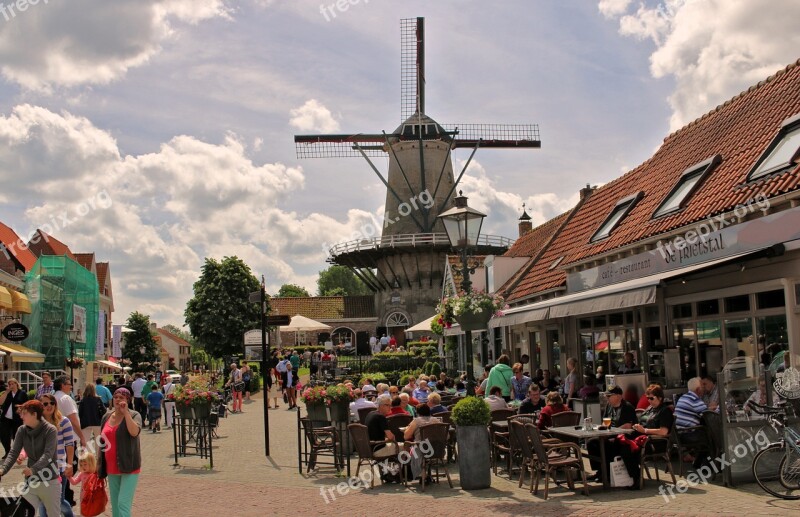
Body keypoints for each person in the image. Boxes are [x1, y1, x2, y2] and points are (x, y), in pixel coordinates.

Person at [0, 400, 60, 515]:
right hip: (31, 483)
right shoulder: (21, 430)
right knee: (22, 513)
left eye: (24, 413)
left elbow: (48, 455)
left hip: (49, 481)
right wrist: (3, 470)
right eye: (21, 413)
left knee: (54, 514)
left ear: (35, 415)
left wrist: (33, 469)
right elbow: (13, 453)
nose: (21, 416)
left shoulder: (50, 430)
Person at [98, 388, 142, 517]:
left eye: (122, 397)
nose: (118, 400)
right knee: (116, 504)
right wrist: (98, 462)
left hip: (129, 465)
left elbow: (134, 432)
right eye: (116, 397)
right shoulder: (106, 416)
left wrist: (126, 413)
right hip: (111, 467)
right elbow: (101, 441)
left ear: (128, 400)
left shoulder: (134, 415)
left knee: (123, 502)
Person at [621, 384, 674, 490]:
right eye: (647, 398)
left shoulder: (665, 411)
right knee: (619, 444)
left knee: (627, 449)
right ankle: (620, 477)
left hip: (656, 443)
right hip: (644, 439)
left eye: (652, 398)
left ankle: (636, 480)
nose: (649, 400)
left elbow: (664, 431)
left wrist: (644, 430)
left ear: (660, 398)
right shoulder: (650, 408)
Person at [39, 392, 77, 517]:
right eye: (45, 404)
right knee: (43, 501)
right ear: (40, 406)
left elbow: (70, 444)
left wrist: (70, 464)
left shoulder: (64, 421)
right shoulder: (37, 423)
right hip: (41, 468)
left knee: (58, 501)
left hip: (59, 467)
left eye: (52, 403)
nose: (49, 406)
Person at [587, 386, 637, 480]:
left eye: (609, 396)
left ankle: (607, 474)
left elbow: (627, 426)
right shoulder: (609, 406)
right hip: (610, 434)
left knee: (605, 444)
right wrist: (601, 429)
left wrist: (612, 431)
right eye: (606, 395)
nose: (607, 398)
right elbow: (605, 422)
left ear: (618, 396)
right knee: (591, 442)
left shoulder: (627, 407)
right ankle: (600, 470)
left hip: (623, 437)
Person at [0, 378, 27, 457]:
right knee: (4, 435)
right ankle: (7, 451)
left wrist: (21, 407)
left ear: (16, 384)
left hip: (17, 418)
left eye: (13, 384)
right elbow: (1, 402)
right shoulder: (6, 393)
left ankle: (16, 453)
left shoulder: (22, 393)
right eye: (10, 384)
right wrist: (6, 392)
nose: (11, 386)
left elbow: (26, 404)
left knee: (16, 436)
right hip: (6, 418)